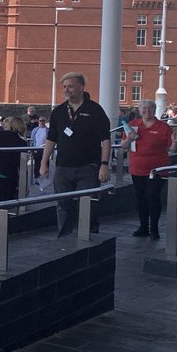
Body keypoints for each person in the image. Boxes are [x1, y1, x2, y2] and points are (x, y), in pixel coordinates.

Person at [41, 72, 111, 237]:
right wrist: (44, 162)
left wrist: (104, 164)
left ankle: (88, 234)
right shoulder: (58, 111)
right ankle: (64, 237)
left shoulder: (95, 110)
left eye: (70, 86)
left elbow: (105, 139)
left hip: (88, 166)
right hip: (63, 167)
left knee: (86, 202)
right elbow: (51, 139)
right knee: (63, 203)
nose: (66, 90)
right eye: (64, 87)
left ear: (81, 87)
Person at [124, 101, 177, 239]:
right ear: (139, 110)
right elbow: (123, 145)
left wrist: (176, 142)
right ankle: (143, 227)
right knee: (141, 198)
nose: (146, 111)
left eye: (149, 108)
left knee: (152, 196)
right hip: (137, 168)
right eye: (144, 108)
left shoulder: (163, 127)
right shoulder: (133, 125)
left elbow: (172, 149)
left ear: (154, 110)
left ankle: (154, 228)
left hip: (158, 170)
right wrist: (129, 139)